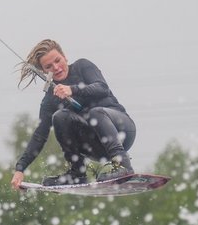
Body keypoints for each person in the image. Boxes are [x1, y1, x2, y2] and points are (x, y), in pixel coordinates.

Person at [10, 39, 136, 189]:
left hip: (122, 132)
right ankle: (77, 174)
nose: (56, 68)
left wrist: (73, 89)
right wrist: (20, 168)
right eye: (49, 67)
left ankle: (123, 164)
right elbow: (39, 136)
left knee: (94, 113)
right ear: (44, 71)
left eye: (58, 60)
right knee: (60, 117)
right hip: (96, 147)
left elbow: (102, 88)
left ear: (65, 57)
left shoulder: (82, 66)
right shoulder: (50, 99)